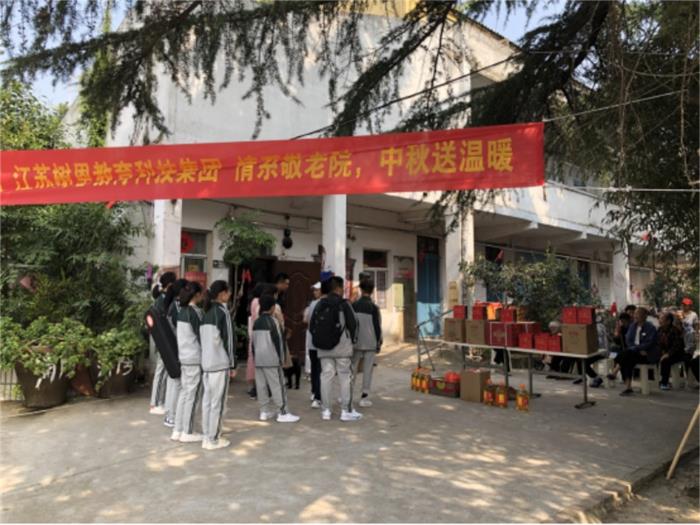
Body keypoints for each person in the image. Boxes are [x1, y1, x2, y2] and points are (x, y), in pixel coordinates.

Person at [310, 276, 360, 421]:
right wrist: (353, 341)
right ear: (338, 288)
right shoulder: (344, 304)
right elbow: (354, 324)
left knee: (326, 376)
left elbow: (312, 326)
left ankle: (326, 411)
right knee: (345, 377)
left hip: (323, 348)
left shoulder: (320, 304)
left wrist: (322, 339)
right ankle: (346, 411)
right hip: (342, 347)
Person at [199, 280, 237, 450]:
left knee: (207, 402)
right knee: (218, 403)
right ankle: (213, 439)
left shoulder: (205, 313)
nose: (230, 295)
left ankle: (207, 436)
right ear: (222, 294)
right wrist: (233, 365)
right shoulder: (223, 313)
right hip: (219, 364)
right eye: (228, 292)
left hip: (206, 364)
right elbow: (230, 340)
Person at [252, 294, 300, 423]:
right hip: (272, 360)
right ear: (273, 307)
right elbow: (279, 342)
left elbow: (253, 342)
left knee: (261, 386)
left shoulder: (256, 322)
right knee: (278, 386)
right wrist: (282, 359)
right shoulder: (274, 322)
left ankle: (264, 411)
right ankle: (282, 412)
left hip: (259, 359)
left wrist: (255, 357)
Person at [173, 282, 204, 442]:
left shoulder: (181, 311)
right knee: (192, 396)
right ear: (197, 294)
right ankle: (188, 432)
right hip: (194, 358)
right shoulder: (195, 312)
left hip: (184, 357)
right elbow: (202, 336)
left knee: (184, 394)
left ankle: (178, 430)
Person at [351, 279, 382, 407]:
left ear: (361, 289)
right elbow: (377, 327)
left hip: (356, 342)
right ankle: (364, 398)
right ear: (372, 290)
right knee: (368, 370)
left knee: (352, 369)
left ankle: (347, 395)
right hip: (370, 343)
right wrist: (379, 343)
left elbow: (350, 324)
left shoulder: (354, 305)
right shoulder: (374, 308)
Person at [149, 271, 176, 415]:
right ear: (170, 284)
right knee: (161, 371)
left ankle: (159, 401)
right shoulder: (162, 300)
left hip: (164, 340)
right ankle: (154, 403)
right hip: (163, 340)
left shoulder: (164, 298)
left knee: (164, 371)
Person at [163, 278, 189, 428]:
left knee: (173, 382)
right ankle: (171, 416)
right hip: (177, 348)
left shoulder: (173, 305)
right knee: (176, 383)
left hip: (173, 348)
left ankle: (170, 414)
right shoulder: (177, 307)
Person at [617, 307, 658, 396]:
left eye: (637, 314)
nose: (635, 316)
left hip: (646, 354)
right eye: (635, 314)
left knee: (625, 356)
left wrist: (636, 349)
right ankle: (628, 387)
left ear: (644, 316)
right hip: (635, 353)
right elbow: (628, 340)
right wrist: (636, 349)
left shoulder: (650, 327)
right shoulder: (633, 326)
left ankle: (616, 371)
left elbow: (649, 343)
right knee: (627, 358)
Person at [304, 281, 325, 409]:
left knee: (315, 369)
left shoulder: (313, 304)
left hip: (314, 341)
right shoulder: (318, 304)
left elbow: (307, 320)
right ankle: (317, 395)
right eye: (314, 290)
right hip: (319, 343)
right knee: (318, 370)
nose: (315, 292)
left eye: (317, 290)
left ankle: (315, 393)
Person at [573, 312, 608, 388]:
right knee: (578, 357)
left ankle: (597, 378)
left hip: (600, 352)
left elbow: (598, 342)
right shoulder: (588, 326)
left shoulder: (598, 327)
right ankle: (582, 376)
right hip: (592, 351)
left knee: (583, 361)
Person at [658, 312, 688, 390]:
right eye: (660, 318)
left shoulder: (675, 331)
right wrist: (661, 352)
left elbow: (677, 346)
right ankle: (655, 379)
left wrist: (668, 354)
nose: (660, 320)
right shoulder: (660, 330)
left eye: (662, 319)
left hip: (677, 354)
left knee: (666, 361)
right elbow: (658, 343)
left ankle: (664, 383)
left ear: (668, 321)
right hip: (664, 352)